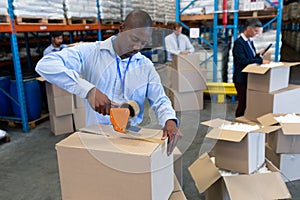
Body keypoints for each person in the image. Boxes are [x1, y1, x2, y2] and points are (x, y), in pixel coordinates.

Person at [36, 10, 181, 155]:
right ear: (122, 28)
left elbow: (160, 99)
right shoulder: (92, 53)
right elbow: (45, 65)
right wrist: (89, 90)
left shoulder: (146, 66)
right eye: (134, 39)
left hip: (132, 138)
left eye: (143, 43)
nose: (138, 47)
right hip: (97, 137)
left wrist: (170, 120)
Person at [233, 18, 270, 117]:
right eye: (255, 31)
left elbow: (251, 58)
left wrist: (258, 55)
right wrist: (260, 61)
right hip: (241, 78)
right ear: (248, 28)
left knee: (247, 102)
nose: (256, 33)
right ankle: (238, 121)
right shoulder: (239, 43)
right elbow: (243, 61)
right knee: (242, 103)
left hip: (248, 77)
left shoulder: (250, 42)